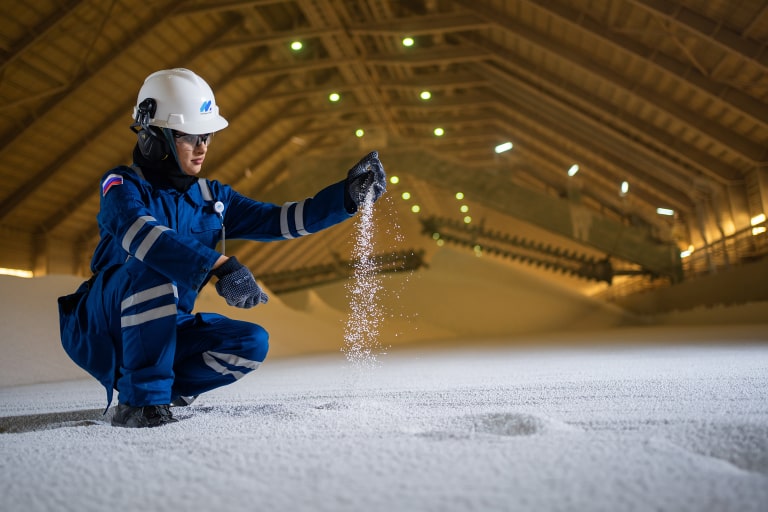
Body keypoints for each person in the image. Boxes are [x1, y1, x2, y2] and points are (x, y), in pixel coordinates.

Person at [57, 68, 386, 428]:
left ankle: (161, 389)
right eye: (190, 136)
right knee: (152, 263)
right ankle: (141, 402)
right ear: (154, 138)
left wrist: (345, 198)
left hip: (163, 327)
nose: (202, 147)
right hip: (105, 323)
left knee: (250, 342)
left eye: (207, 136)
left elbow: (277, 220)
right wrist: (218, 265)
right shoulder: (121, 185)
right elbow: (141, 233)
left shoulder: (211, 198)